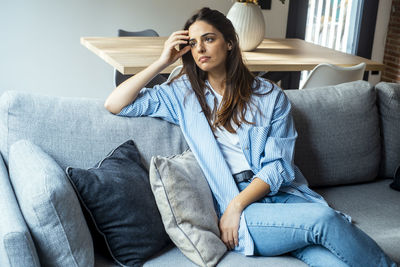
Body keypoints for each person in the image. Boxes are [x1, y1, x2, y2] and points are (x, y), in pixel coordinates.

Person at [104, 7, 396, 267]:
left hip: (283, 196)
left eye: (209, 38)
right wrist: (162, 62)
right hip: (242, 205)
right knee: (325, 221)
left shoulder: (269, 95)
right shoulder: (183, 95)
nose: (200, 48)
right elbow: (116, 103)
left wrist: (236, 206)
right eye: (193, 43)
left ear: (229, 42)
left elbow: (279, 166)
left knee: (327, 257)